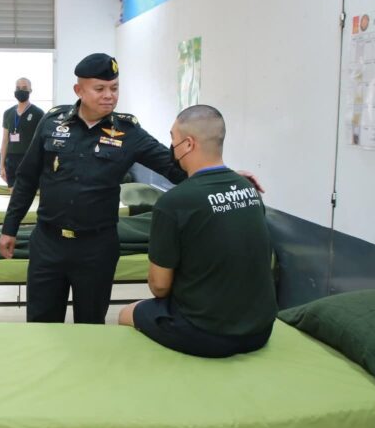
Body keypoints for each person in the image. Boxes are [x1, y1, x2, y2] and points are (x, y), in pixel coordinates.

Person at [0, 53, 188, 324]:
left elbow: (173, 167)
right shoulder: (52, 123)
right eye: (100, 89)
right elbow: (27, 178)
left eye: (114, 88)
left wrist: (221, 174)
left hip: (96, 248)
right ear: (79, 90)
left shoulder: (129, 132)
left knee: (91, 325)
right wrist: (10, 228)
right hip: (48, 243)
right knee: (41, 324)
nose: (109, 95)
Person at [117, 105, 277, 358]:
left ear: (188, 144)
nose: (171, 146)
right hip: (260, 330)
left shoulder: (173, 202)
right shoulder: (250, 190)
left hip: (205, 334)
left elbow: (159, 287)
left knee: (126, 313)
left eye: (173, 138)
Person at [0, 77, 44, 187]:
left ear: (30, 90)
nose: (20, 90)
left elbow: (42, 140)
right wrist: (1, 166)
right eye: (18, 88)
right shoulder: (8, 113)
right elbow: (5, 140)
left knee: (27, 193)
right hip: (11, 160)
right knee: (13, 193)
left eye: (24, 88)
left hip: (29, 159)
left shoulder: (38, 113)